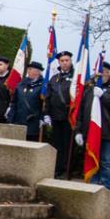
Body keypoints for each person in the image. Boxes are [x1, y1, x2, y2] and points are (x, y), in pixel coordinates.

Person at [75, 61, 110, 191]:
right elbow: (81, 111)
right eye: (98, 73)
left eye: (104, 72)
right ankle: (93, 185)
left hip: (107, 130)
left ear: (108, 73)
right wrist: (78, 131)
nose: (101, 75)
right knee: (92, 158)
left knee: (106, 161)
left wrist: (104, 96)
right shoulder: (89, 88)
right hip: (90, 131)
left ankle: (106, 188)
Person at [43, 50, 74, 178]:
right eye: (62, 61)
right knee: (56, 144)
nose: (65, 63)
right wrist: (46, 113)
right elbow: (48, 97)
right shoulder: (54, 78)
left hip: (69, 116)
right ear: (59, 63)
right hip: (56, 116)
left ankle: (67, 170)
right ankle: (56, 169)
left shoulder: (76, 77)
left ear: (71, 61)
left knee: (67, 145)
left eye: (67, 60)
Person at [7, 61, 44, 141]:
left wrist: (42, 118)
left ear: (38, 72)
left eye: (31, 69)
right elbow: (14, 103)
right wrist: (10, 118)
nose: (29, 71)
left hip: (33, 124)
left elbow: (44, 105)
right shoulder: (20, 84)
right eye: (29, 69)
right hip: (18, 122)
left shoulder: (42, 86)